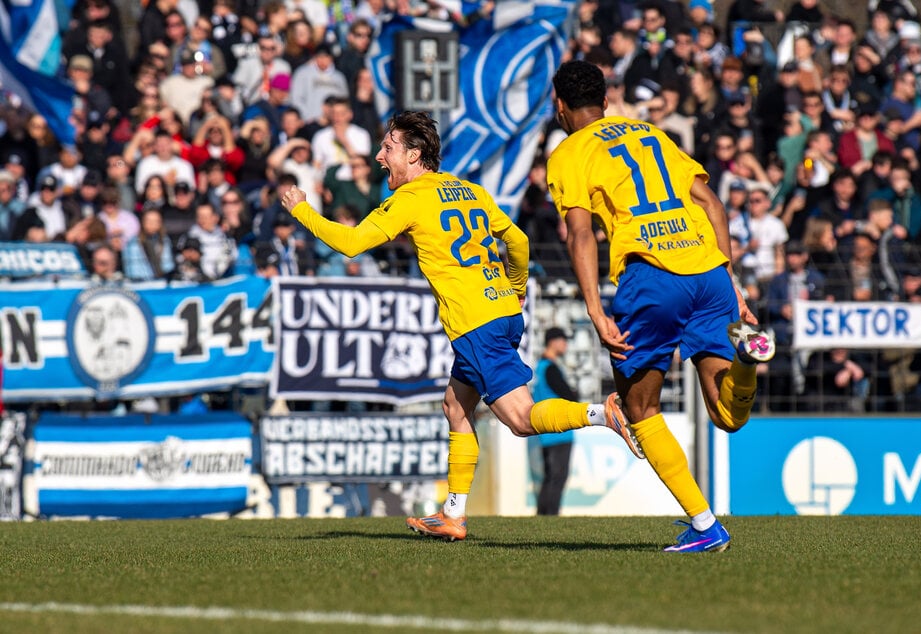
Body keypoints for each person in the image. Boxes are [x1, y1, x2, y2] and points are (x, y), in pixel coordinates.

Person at [281, 110, 643, 541]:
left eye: (388, 148)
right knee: (455, 407)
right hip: (503, 312)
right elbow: (519, 241)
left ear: (414, 155)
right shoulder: (468, 190)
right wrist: (517, 287)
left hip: (477, 324)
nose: (380, 157)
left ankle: (606, 413)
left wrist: (302, 210)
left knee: (522, 420)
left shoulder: (411, 199)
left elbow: (351, 242)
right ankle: (453, 514)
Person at [547, 60, 775, 553]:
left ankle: (705, 525)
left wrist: (594, 308)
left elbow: (580, 233)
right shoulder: (652, 133)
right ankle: (747, 363)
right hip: (708, 270)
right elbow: (713, 205)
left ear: (559, 106)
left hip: (653, 277)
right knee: (725, 413)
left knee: (639, 406)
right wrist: (731, 281)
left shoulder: (569, 152)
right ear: (606, 102)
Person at [532, 327, 577, 516]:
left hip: (545, 431)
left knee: (550, 477)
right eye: (562, 340)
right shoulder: (550, 368)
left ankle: (543, 515)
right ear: (553, 342)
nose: (565, 344)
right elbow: (568, 394)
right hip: (559, 431)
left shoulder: (541, 368)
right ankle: (551, 515)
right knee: (557, 477)